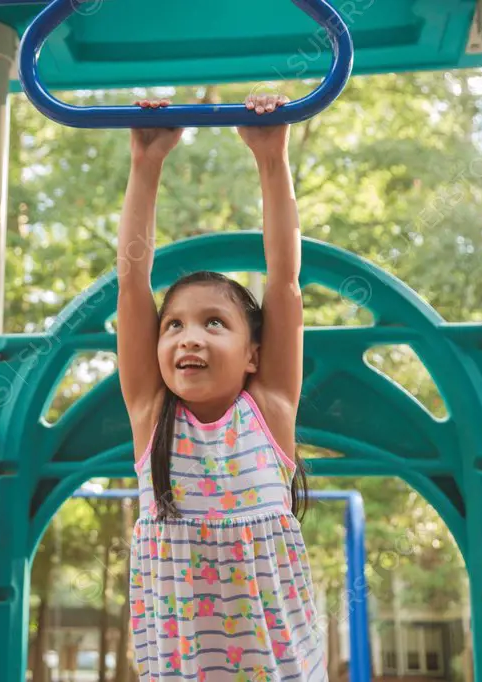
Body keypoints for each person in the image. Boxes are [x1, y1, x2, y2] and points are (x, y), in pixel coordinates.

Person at [116, 94, 325, 681]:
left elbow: (284, 281)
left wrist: (271, 157)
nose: (190, 338)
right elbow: (132, 285)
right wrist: (145, 163)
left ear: (254, 353)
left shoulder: (268, 408)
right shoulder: (152, 415)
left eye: (215, 323)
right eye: (174, 324)